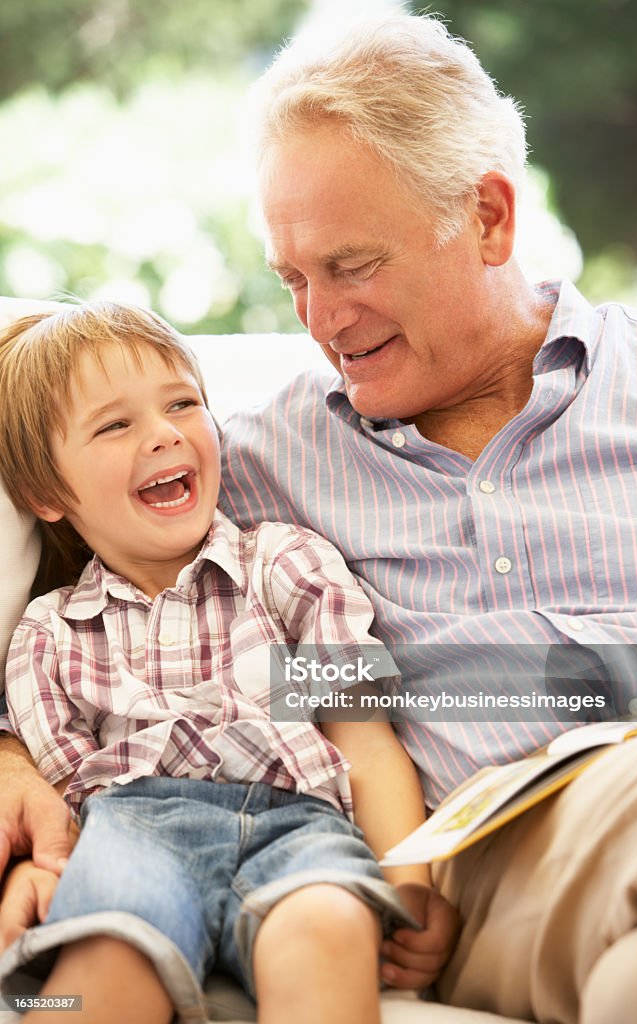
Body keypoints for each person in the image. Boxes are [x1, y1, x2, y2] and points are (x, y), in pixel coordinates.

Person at [216, 13, 637, 1024]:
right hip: (488, 857)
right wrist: (10, 754)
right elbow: (87, 598)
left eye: (350, 265)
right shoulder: (246, 459)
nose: (320, 320)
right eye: (293, 278)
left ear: (488, 218)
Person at [0, 301, 456, 1024]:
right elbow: (60, 804)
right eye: (115, 424)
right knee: (107, 962)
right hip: (132, 835)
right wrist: (44, 874)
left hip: (300, 825)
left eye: (182, 403)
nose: (164, 434)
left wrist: (408, 882)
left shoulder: (284, 566)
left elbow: (363, 739)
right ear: (45, 495)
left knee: (327, 929)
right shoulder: (50, 634)